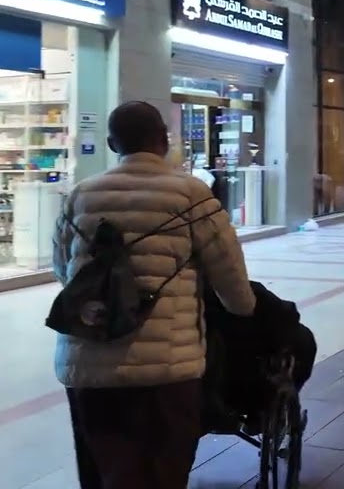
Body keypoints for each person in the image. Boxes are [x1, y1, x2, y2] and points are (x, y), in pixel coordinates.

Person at [53, 101, 257, 489]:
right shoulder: (192, 195)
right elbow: (232, 281)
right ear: (164, 139)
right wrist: (243, 311)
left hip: (88, 364)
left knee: (108, 473)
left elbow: (64, 272)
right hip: (167, 368)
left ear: (112, 144)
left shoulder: (80, 195)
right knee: (163, 473)